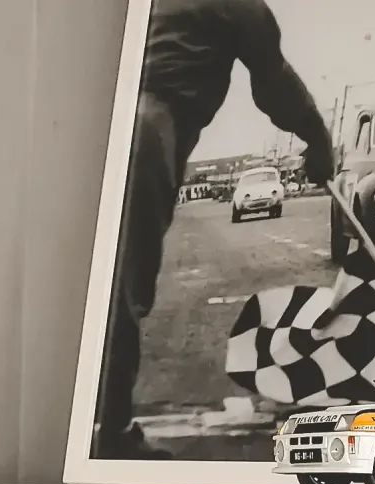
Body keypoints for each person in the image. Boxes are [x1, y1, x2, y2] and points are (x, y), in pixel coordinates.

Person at [94, 0, 336, 460]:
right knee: (123, 284)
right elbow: (273, 83)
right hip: (147, 123)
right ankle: (114, 435)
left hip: (106, 114)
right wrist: (317, 137)